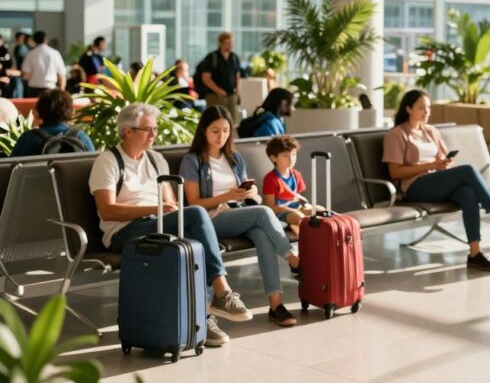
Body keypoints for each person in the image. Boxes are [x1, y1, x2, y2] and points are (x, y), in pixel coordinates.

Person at [89, 103, 252, 348]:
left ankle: (201, 318)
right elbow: (107, 210)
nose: (154, 135)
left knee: (193, 242)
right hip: (125, 232)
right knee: (196, 214)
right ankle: (222, 292)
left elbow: (170, 202)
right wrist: (154, 210)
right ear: (128, 131)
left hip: (157, 224)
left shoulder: (156, 160)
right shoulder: (108, 161)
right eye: (147, 129)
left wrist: (168, 210)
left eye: (154, 129)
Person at [180, 106, 301, 328]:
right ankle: (293, 260)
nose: (221, 136)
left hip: (239, 213)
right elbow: (194, 203)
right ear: (204, 131)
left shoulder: (234, 157)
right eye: (215, 131)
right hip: (210, 219)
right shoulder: (192, 160)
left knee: (262, 235)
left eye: (226, 131)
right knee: (264, 212)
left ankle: (276, 305)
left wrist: (251, 193)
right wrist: (226, 195)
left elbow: (245, 190)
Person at [384, 90, 490, 272]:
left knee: (468, 193)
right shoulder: (397, 135)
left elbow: (442, 159)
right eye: (421, 108)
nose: (426, 112)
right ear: (408, 109)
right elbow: (395, 172)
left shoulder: (431, 131)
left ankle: (475, 253)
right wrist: (431, 165)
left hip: (434, 182)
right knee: (468, 170)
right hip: (414, 187)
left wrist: (444, 164)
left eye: (428, 107)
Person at [261, 135, 321, 236]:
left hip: (297, 208)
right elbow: (270, 207)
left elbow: (297, 198)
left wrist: (306, 204)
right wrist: (291, 209)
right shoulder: (270, 179)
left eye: (293, 155)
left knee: (320, 210)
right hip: (281, 213)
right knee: (299, 216)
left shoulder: (296, 174)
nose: (291, 159)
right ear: (273, 158)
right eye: (285, 156)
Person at [10, 89, 94, 157]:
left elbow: (10, 172)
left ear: (38, 113)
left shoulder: (28, 139)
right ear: (71, 112)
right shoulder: (81, 137)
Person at [196, 32, 243, 125]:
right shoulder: (212, 57)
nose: (230, 45)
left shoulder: (234, 57)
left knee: (233, 122)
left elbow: (237, 76)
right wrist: (218, 90)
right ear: (221, 43)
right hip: (215, 96)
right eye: (227, 43)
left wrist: (238, 92)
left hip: (231, 95)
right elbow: (205, 78)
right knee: (216, 120)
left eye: (231, 43)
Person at [21, 31, 66, 97]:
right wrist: (62, 91)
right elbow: (62, 75)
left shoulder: (30, 54)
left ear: (34, 40)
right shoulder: (55, 53)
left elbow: (25, 76)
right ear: (46, 40)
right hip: (50, 89)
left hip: (33, 90)